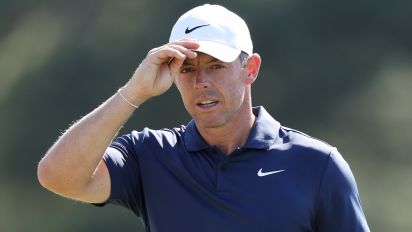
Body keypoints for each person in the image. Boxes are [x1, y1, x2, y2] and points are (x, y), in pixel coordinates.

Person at [37, 4, 370, 232]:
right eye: (187, 68)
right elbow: (57, 176)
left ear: (250, 69)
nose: (201, 83)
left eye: (215, 66)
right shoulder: (150, 155)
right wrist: (133, 92)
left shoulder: (317, 165)